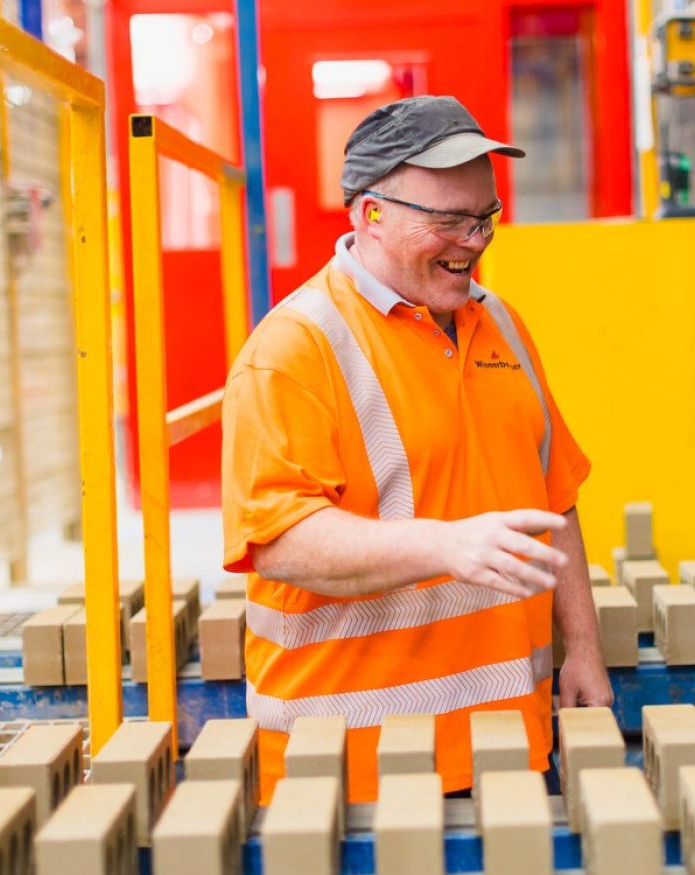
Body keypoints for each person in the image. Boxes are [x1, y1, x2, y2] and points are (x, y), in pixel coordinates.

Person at [220, 95, 611, 804]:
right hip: (354, 767)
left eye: (485, 216)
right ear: (370, 215)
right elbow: (279, 542)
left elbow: (556, 495)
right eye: (448, 221)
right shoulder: (291, 351)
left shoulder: (499, 324)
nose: (475, 239)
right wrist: (443, 546)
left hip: (506, 745)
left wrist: (582, 646)